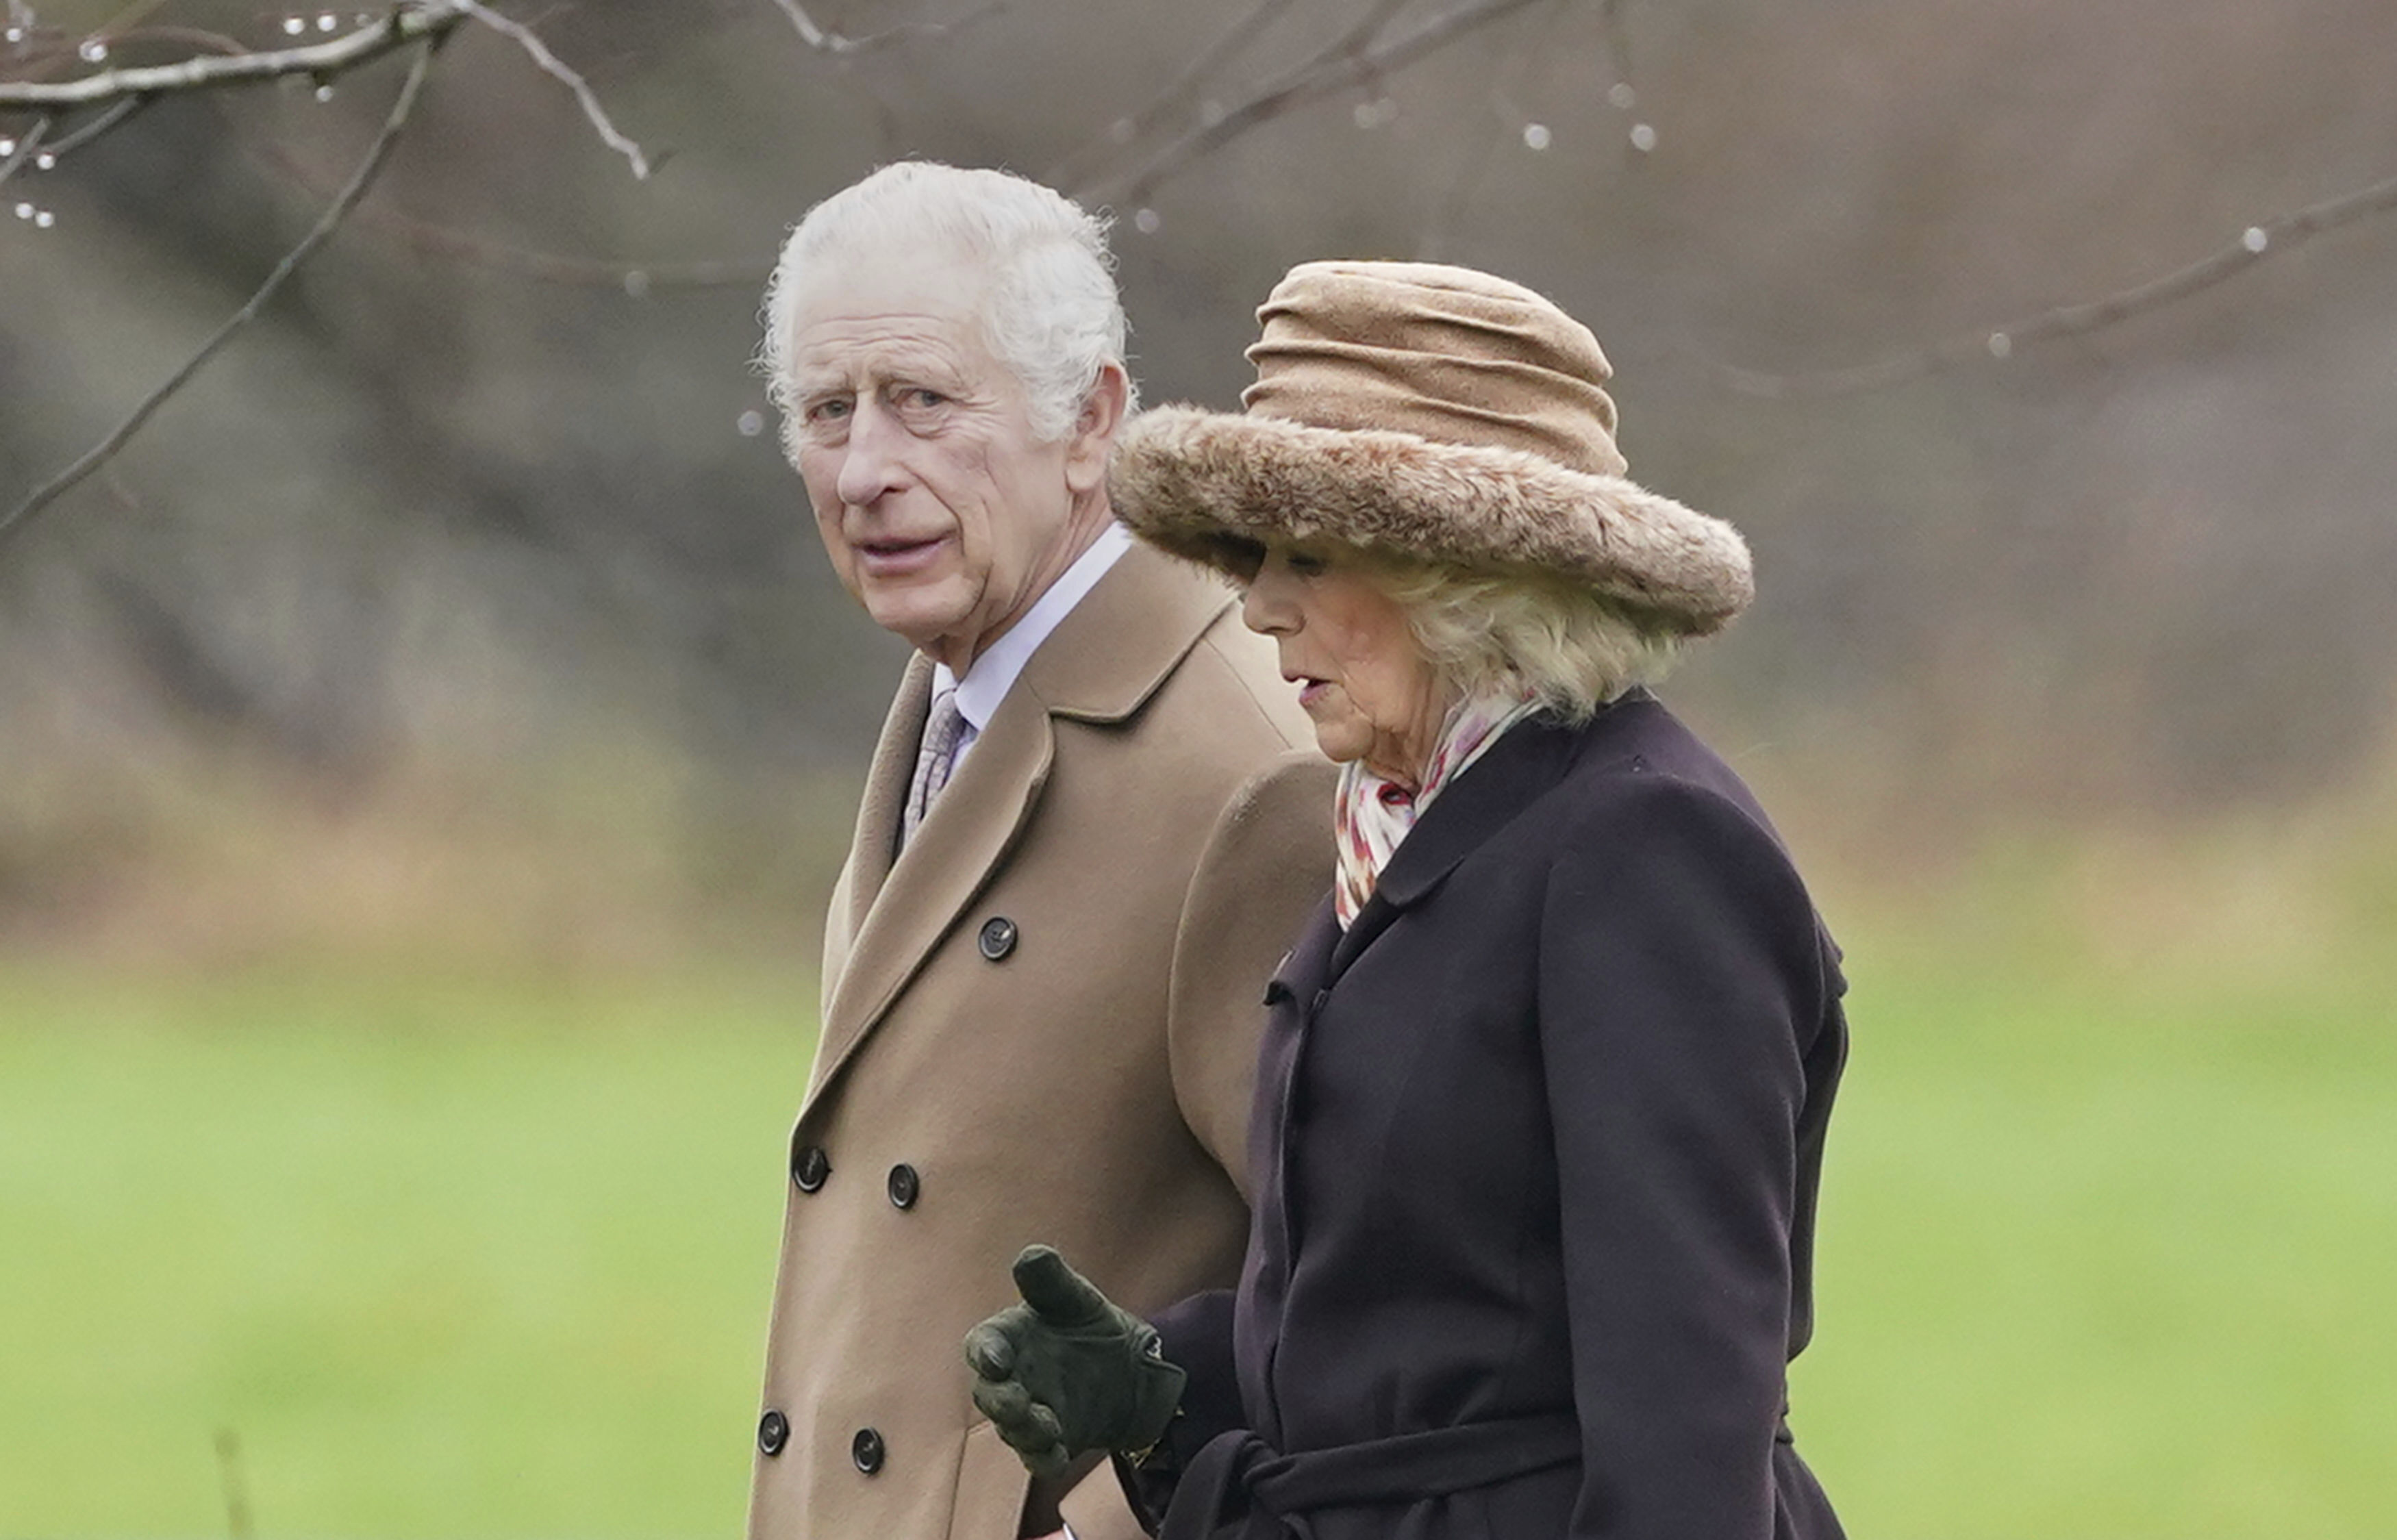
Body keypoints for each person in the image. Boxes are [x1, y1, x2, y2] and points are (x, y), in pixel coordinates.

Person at [964, 260, 1850, 1539]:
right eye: (1256, 553)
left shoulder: (1644, 844)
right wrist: (1164, 1385)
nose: (1260, 605)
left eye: (1308, 554)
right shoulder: (1409, 821)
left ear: (1464, 572)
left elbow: (1682, 1413)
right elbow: (1436, 1310)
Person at [749, 164, 1334, 1540]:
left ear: (1092, 422)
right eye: (828, 412)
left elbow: (1364, 1285)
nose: (864, 469)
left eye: (923, 402)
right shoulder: (954, 688)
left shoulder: (1242, 761)